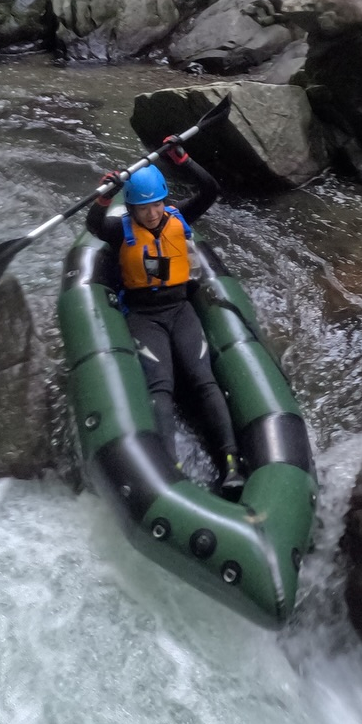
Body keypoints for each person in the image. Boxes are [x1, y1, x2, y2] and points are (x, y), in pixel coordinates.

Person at [88, 138, 246, 500]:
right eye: (145, 207)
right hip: (144, 315)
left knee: (204, 379)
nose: (153, 213)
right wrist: (103, 195)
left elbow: (210, 189)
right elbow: (95, 224)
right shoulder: (121, 230)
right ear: (131, 207)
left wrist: (183, 159)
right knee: (161, 385)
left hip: (180, 310)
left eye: (158, 203)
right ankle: (170, 469)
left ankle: (232, 463)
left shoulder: (178, 218)